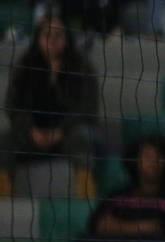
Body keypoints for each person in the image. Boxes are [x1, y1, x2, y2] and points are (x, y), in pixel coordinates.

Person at [0, 13, 99, 198]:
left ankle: (86, 202)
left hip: (69, 134)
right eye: (47, 35)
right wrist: (31, 130)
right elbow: (13, 106)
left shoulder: (83, 67)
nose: (53, 40)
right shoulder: (25, 67)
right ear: (38, 38)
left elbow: (88, 109)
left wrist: (61, 130)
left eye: (58, 35)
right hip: (32, 136)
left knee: (83, 137)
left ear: (67, 38)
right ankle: (4, 204)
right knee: (4, 141)